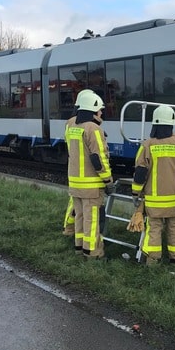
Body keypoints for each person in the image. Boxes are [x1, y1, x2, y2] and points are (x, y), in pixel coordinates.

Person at [131, 105, 175, 265]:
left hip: (154, 201)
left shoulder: (147, 145)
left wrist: (135, 194)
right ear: (172, 123)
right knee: (174, 229)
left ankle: (153, 260)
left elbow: (140, 173)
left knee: (154, 230)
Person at [66, 92, 114, 259]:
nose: (101, 113)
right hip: (91, 185)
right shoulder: (93, 129)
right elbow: (98, 157)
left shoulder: (72, 126)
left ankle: (80, 248)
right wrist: (108, 181)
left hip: (75, 183)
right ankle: (93, 253)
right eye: (100, 110)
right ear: (93, 110)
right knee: (92, 220)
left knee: (79, 216)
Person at [62, 89, 95, 240]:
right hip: (85, 173)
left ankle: (69, 229)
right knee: (82, 209)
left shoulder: (70, 123)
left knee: (74, 203)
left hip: (74, 170)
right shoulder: (87, 125)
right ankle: (71, 230)